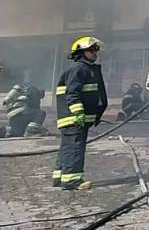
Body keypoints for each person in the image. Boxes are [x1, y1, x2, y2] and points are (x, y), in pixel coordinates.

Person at [54, 35, 108, 190]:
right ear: (80, 52)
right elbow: (73, 93)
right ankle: (72, 181)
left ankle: (59, 176)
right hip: (74, 118)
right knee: (74, 148)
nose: (95, 53)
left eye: (96, 50)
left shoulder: (87, 69)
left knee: (68, 147)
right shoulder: (78, 68)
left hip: (78, 119)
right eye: (91, 50)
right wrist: (78, 113)